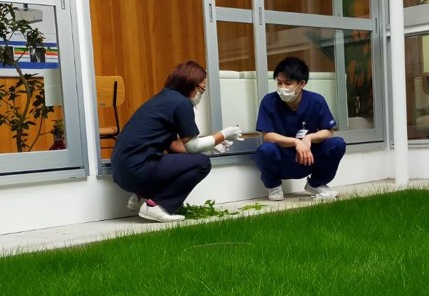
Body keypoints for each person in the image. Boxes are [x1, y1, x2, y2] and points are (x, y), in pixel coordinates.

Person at [112, 61, 242, 222]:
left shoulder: (161, 99)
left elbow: (174, 146)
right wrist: (223, 134)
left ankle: (141, 195)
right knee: (202, 163)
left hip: (121, 172)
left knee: (180, 160)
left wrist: (211, 143)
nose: (201, 94)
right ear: (192, 85)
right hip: (138, 169)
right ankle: (157, 206)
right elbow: (193, 146)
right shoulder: (182, 103)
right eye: (202, 89)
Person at [254, 57, 346, 201]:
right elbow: (267, 136)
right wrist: (296, 142)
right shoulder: (269, 101)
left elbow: (328, 131)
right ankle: (273, 186)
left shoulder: (316, 101)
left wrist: (309, 138)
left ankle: (316, 183)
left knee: (337, 143)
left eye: (288, 83)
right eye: (279, 82)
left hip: (308, 157)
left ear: (302, 83)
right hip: (283, 158)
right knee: (265, 150)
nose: (282, 87)